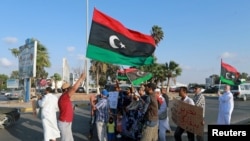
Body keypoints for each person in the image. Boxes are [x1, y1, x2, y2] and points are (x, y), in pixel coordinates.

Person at [58, 72, 86, 141]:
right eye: (69, 89)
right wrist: (81, 78)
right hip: (64, 123)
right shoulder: (64, 97)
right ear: (66, 90)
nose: (71, 90)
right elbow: (74, 89)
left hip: (67, 122)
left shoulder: (65, 98)